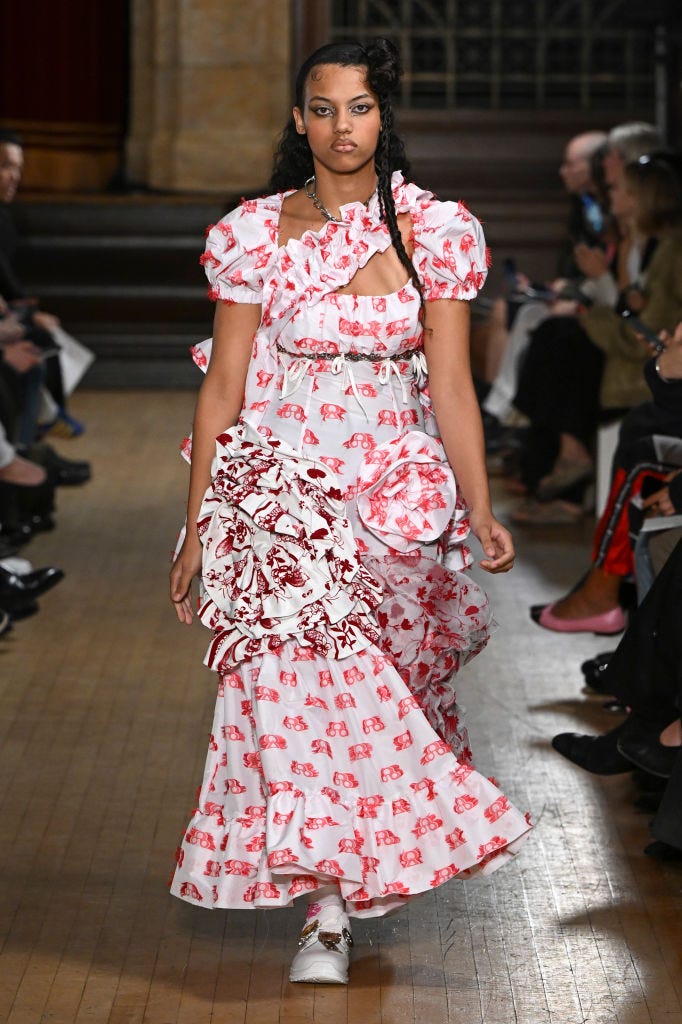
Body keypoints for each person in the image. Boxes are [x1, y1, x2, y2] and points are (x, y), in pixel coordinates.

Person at [169, 38, 531, 985]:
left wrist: (481, 508)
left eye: (359, 107)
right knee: (302, 691)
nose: (341, 126)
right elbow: (225, 388)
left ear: (382, 116)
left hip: (397, 489)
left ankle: (358, 879)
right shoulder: (254, 232)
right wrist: (200, 523)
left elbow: (451, 384)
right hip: (281, 487)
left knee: (385, 695)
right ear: (299, 119)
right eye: (323, 108)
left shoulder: (432, 228)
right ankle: (324, 914)